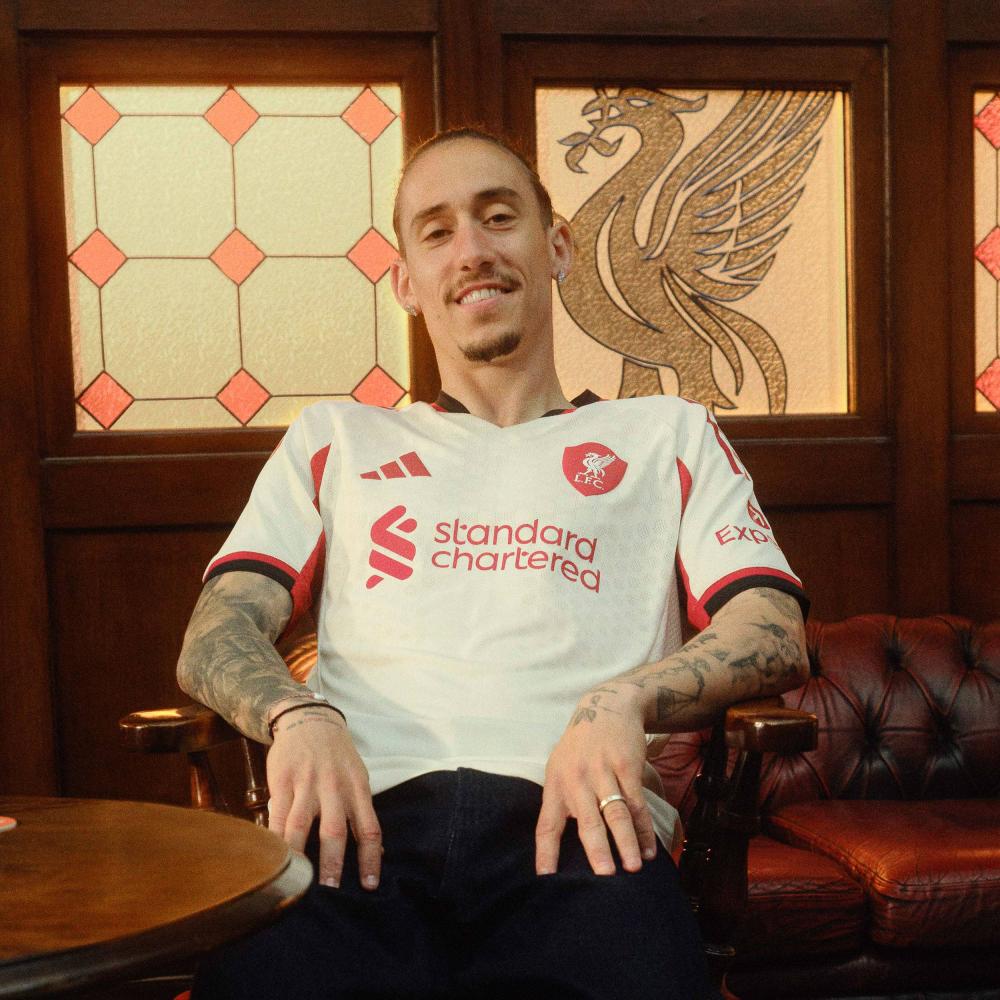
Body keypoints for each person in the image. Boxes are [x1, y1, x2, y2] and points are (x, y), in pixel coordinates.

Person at [178, 127, 809, 1000]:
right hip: (358, 830)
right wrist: (296, 713)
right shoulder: (336, 439)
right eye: (436, 231)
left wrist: (623, 700)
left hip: (585, 830)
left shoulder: (666, 432)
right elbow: (217, 628)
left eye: (499, 217)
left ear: (557, 247)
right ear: (407, 281)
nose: (471, 249)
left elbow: (772, 626)